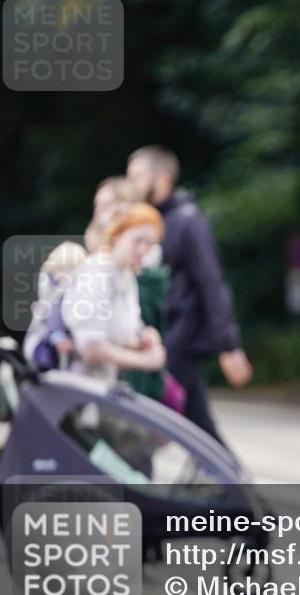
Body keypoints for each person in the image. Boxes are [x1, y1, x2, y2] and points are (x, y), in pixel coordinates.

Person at [127, 146, 252, 441]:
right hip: (161, 339)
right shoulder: (148, 221)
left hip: (181, 341)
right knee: (195, 426)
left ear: (162, 177)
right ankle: (228, 482)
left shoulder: (187, 220)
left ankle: (227, 482)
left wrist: (228, 346)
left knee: (156, 426)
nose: (130, 183)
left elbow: (211, 282)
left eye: (137, 175)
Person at [62, 203, 168, 382]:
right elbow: (90, 347)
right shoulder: (97, 273)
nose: (143, 250)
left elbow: (121, 336)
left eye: (149, 244)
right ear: (118, 235)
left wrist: (142, 339)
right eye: (138, 240)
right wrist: (145, 360)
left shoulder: (126, 275)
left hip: (100, 383)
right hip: (74, 385)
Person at [23, 241, 88, 370]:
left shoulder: (77, 290)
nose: (65, 274)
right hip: (43, 343)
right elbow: (52, 314)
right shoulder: (54, 291)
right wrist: (58, 336)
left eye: (71, 270)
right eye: (61, 269)